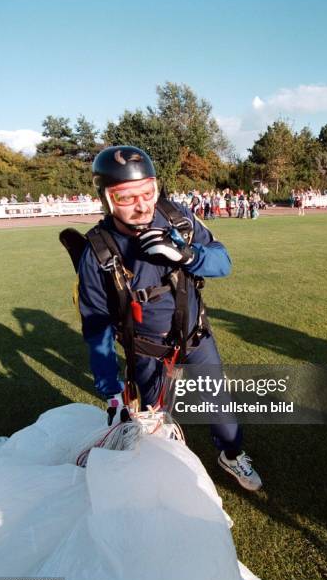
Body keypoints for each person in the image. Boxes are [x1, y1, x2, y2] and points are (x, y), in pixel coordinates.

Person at [73, 145, 262, 491]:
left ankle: (231, 455)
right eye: (127, 198)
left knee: (222, 412)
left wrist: (188, 255)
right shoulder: (97, 251)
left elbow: (224, 261)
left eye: (147, 193)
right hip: (146, 352)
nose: (142, 205)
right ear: (107, 199)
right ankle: (163, 482)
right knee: (155, 430)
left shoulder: (177, 217)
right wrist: (111, 393)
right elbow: (96, 326)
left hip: (195, 337)